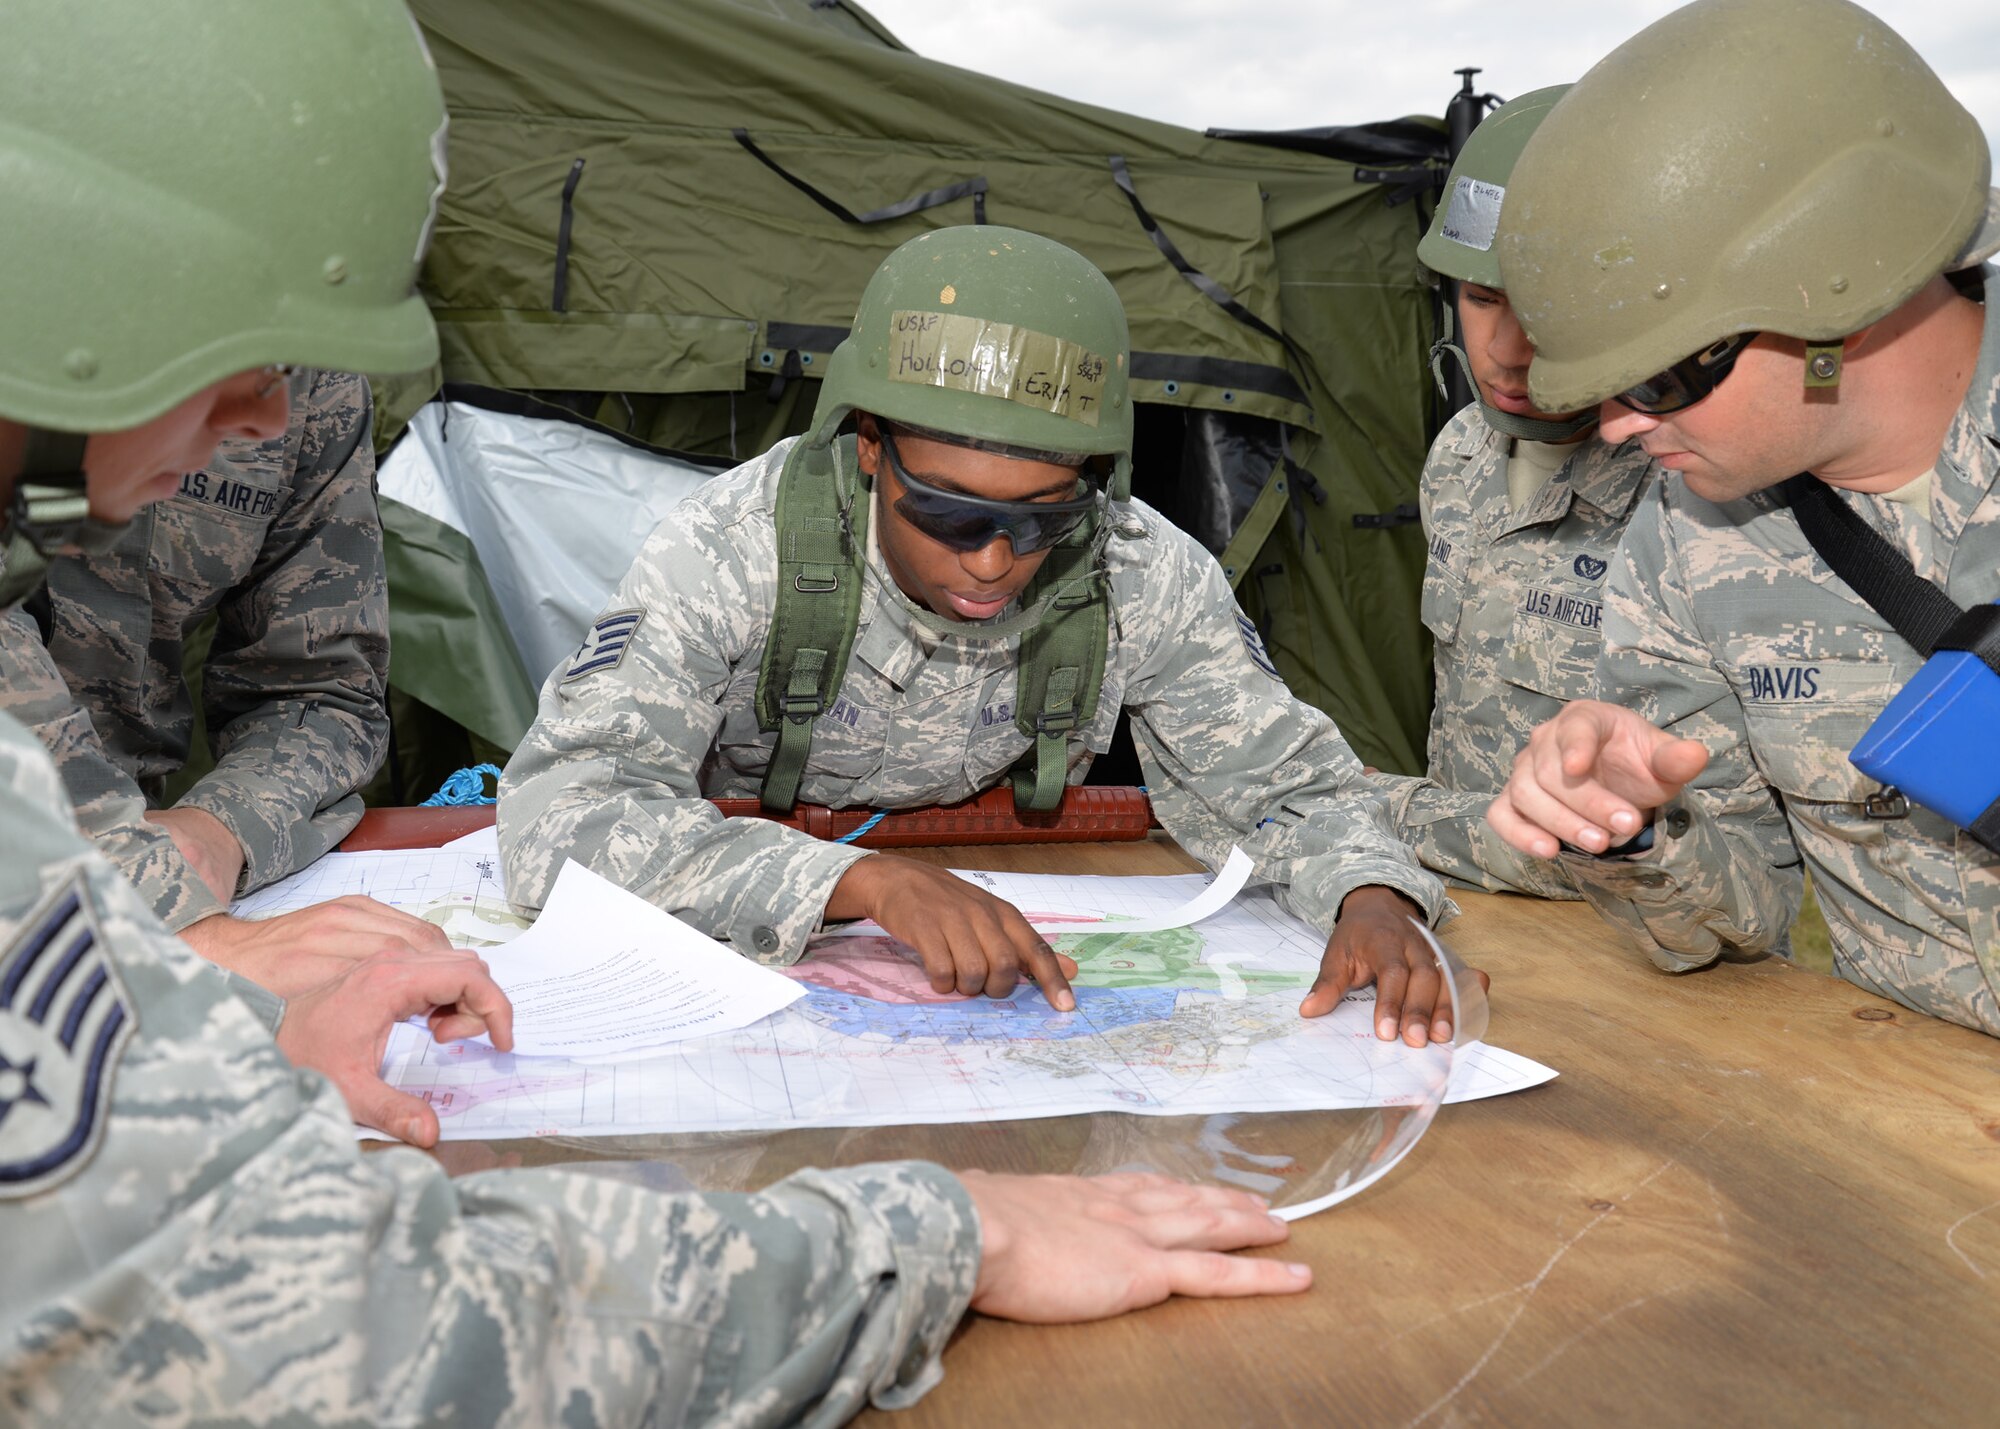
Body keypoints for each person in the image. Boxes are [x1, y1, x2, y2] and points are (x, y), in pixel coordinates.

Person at [3, 4, 1307, 1421]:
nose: (273, 422)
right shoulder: (739, 544)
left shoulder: (1140, 573)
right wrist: (944, 1235)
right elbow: (346, 1329)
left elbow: (322, 704)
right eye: (242, 361)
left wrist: (180, 976)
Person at [499, 225, 1469, 1047]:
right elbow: (563, 817)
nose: (995, 561)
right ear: (869, 445)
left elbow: (1284, 784)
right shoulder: (731, 551)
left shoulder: (1139, 570)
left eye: (1044, 515)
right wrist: (863, 884)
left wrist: (1370, 894)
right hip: (754, 935)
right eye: (948, 513)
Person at [1484, 0, 2000, 1035]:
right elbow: (1736, 921)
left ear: (1828, 294)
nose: (1617, 427)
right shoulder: (1682, 543)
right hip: (1921, 1134)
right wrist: (1631, 826)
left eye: (1660, 379)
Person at [0, 368, 460, 1001]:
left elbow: (319, 687)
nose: (265, 421)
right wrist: (191, 941)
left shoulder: (315, 372)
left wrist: (218, 830)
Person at [1378, 86, 1658, 900]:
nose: (1503, 351)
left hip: (1639, 964)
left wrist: (1383, 808)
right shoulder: (1461, 452)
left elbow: (1687, 849)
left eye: (1538, 306)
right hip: (1470, 918)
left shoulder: (1689, 499)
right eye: (1481, 298)